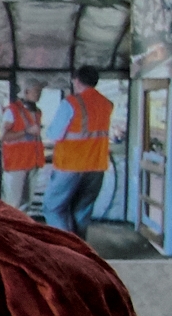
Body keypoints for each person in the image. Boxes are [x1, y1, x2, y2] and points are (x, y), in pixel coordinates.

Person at [39, 72, 117, 234]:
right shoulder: (107, 104)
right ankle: (80, 251)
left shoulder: (71, 103)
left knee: (52, 207)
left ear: (76, 81)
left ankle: (67, 249)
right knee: (82, 210)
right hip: (97, 165)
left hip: (71, 165)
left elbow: (54, 134)